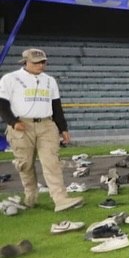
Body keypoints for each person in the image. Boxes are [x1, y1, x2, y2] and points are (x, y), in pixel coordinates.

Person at [0, 48, 83, 211]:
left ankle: (60, 199)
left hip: (46, 124)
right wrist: (13, 122)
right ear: (26, 62)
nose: (41, 66)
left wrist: (63, 128)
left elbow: (56, 106)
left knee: (52, 162)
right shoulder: (10, 79)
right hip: (22, 124)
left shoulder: (50, 81)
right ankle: (30, 196)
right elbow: (2, 103)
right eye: (36, 63)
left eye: (43, 62)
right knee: (25, 164)